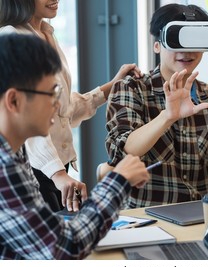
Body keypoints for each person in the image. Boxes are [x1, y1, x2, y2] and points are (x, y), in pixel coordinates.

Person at [0, 33, 149, 259]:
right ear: (13, 101)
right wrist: (118, 181)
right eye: (52, 93)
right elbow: (63, 248)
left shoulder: (14, 150)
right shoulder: (4, 165)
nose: (59, 104)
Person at [105, 3, 208, 208]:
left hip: (204, 215)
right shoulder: (130, 88)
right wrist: (167, 116)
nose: (187, 51)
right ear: (157, 45)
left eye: (195, 42)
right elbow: (126, 149)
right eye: (176, 41)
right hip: (148, 217)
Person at [0, 0, 141, 212]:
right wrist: (58, 174)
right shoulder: (12, 38)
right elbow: (25, 117)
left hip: (56, 167)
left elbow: (61, 108)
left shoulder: (47, 33)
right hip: (39, 168)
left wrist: (110, 88)